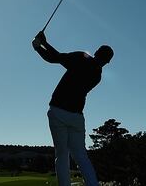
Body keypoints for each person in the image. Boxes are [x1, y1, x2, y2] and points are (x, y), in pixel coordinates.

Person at [32, 30, 113, 186]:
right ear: (107, 62)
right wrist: (42, 44)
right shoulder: (98, 75)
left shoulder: (83, 58)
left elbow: (55, 58)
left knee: (62, 154)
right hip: (77, 117)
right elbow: (57, 58)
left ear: (96, 51)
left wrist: (39, 45)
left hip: (58, 111)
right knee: (81, 156)